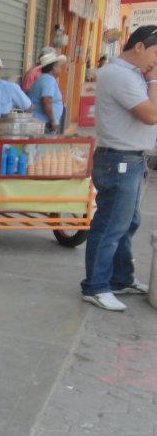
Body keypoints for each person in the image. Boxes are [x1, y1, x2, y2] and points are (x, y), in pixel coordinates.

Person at [80, 25, 157, 311]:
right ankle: (96, 286)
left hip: (132, 160)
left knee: (126, 224)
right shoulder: (118, 75)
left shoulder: (135, 75)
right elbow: (151, 115)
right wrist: (155, 79)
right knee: (110, 226)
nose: (156, 61)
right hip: (119, 162)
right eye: (155, 53)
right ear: (139, 46)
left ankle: (121, 278)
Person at [27, 52, 67, 133]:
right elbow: (46, 101)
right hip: (44, 124)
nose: (60, 69)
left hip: (41, 123)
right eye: (59, 66)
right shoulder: (48, 80)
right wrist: (53, 121)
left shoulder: (44, 78)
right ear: (53, 68)